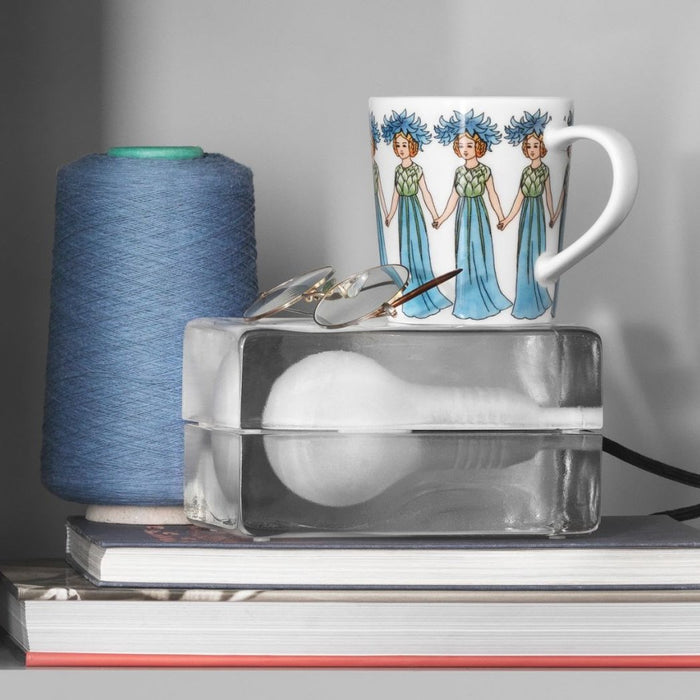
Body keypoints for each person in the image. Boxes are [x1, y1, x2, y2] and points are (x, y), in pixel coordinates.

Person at [432, 110, 511, 320]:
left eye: (469, 145)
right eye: (461, 146)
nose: (465, 150)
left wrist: (502, 217)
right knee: (463, 257)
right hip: (462, 216)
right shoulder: (459, 172)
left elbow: (493, 195)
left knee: (480, 255)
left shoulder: (485, 170)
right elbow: (453, 198)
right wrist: (441, 217)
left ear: (479, 147)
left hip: (478, 215)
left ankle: (485, 297)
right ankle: (466, 302)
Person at [382, 109, 451, 318]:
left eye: (405, 145)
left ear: (412, 147)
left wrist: (435, 216)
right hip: (403, 213)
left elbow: (426, 193)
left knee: (418, 249)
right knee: (405, 253)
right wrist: (390, 215)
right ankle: (408, 296)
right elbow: (394, 194)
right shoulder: (397, 170)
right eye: (398, 145)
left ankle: (425, 294)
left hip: (414, 212)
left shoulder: (417, 169)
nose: (401, 149)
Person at [499, 110, 555, 320]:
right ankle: (523, 300)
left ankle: (536, 300)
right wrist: (507, 219)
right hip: (525, 217)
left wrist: (553, 214)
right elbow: (519, 198)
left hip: (538, 215)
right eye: (529, 146)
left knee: (536, 256)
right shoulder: (525, 172)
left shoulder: (545, 171)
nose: (532, 150)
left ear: (543, 148)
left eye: (536, 146)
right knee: (524, 257)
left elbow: (549, 195)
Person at [370, 114, 389, 265]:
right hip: (403, 209)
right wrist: (387, 213)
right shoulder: (378, 167)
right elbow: (385, 193)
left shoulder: (416, 170)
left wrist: (438, 217)